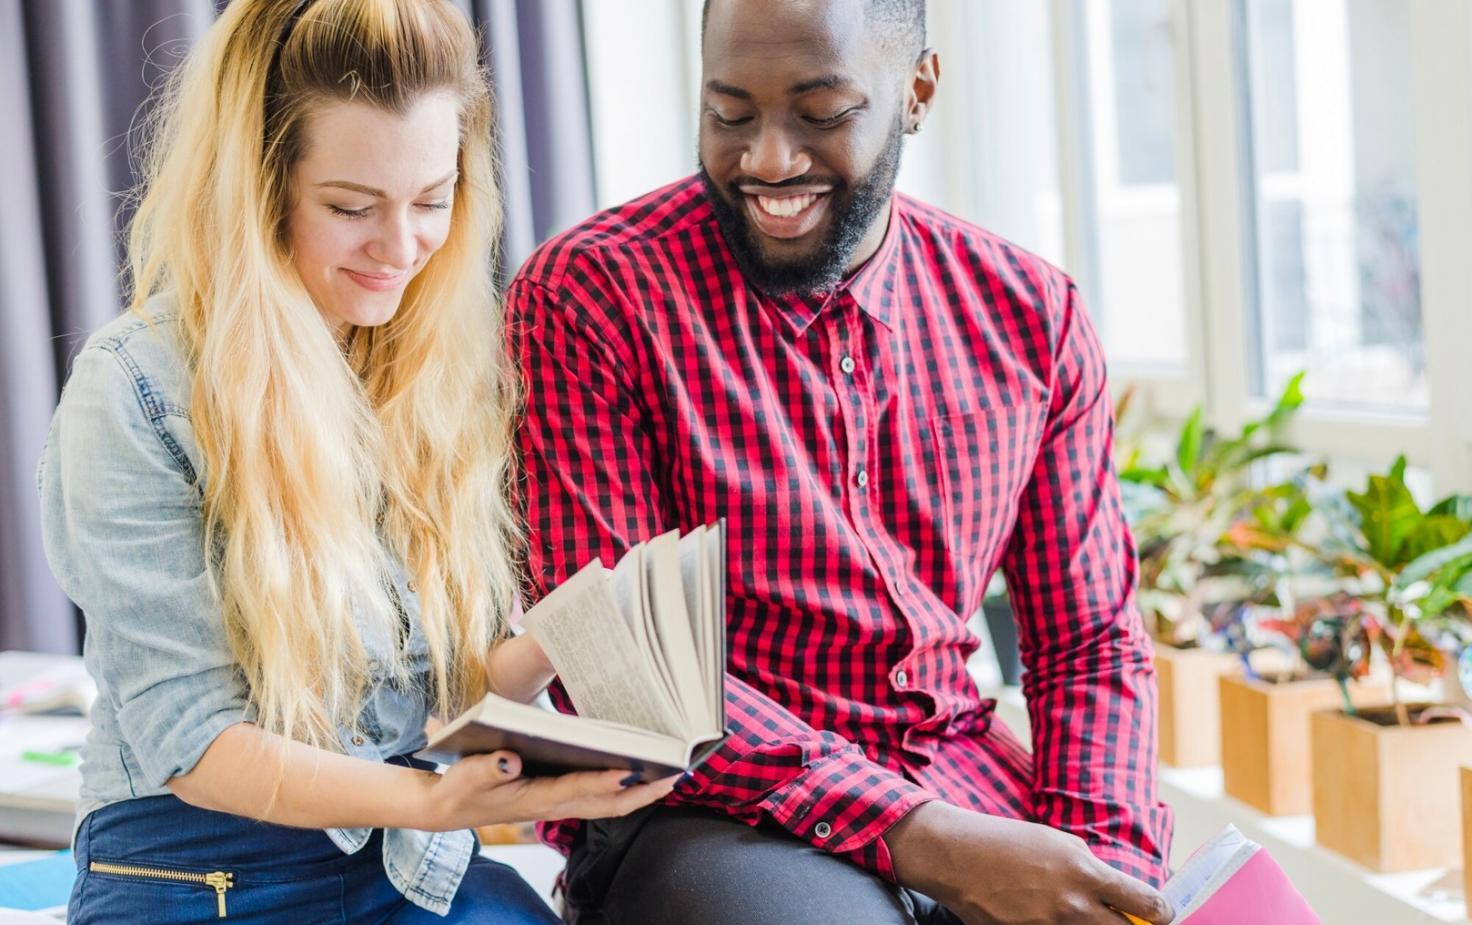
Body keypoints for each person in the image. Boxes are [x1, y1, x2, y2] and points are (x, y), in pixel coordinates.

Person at [507, 0, 1175, 922]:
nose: (769, 161)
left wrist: (1111, 867)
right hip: (707, 809)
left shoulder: (1033, 316)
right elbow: (621, 669)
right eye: (729, 114)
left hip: (961, 777)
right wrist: (923, 835)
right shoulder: (591, 297)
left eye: (821, 113)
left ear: (917, 92)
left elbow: (1087, 641)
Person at [37, 1, 673, 922]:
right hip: (191, 862)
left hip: (401, 861)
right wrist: (436, 798)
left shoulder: (428, 374)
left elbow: (434, 693)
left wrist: (572, 635)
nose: (403, 248)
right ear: (258, 188)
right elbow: (198, 746)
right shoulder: (135, 390)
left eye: (431, 199)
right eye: (351, 207)